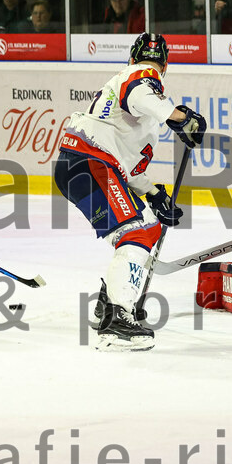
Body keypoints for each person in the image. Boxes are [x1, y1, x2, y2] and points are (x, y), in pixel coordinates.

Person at [54, 33, 206, 352]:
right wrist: (179, 117)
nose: (152, 67)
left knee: (144, 225)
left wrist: (154, 194)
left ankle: (109, 303)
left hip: (80, 166)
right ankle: (118, 321)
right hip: (91, 162)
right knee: (137, 234)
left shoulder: (140, 117)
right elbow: (139, 93)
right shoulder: (140, 77)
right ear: (164, 66)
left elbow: (130, 168)